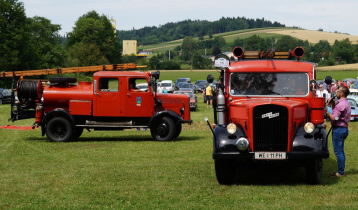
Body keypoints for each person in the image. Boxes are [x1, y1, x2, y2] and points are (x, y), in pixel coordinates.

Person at [327, 86, 351, 177]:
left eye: (338, 91)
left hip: (339, 129)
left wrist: (327, 113)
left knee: (338, 152)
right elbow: (340, 115)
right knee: (340, 151)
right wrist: (333, 104)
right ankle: (341, 170)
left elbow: (335, 118)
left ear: (342, 93)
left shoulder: (340, 104)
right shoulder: (345, 103)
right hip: (343, 128)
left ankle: (340, 172)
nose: (336, 92)